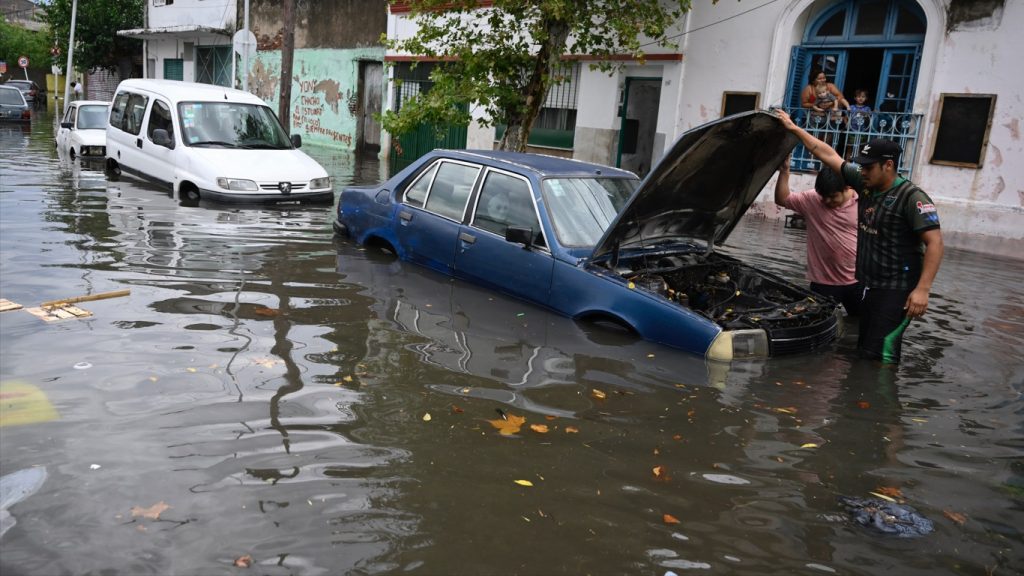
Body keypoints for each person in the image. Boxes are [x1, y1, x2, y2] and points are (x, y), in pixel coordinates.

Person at [775, 109, 944, 364]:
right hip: (870, 285)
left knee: (881, 355)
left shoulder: (912, 198)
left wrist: (922, 290)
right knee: (864, 349)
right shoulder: (866, 185)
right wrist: (794, 128)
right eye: (861, 166)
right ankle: (860, 400)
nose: (861, 171)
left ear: (888, 165)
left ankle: (881, 401)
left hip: (897, 289)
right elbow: (827, 153)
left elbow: (935, 243)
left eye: (868, 167)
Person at [775, 159, 860, 316]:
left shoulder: (863, 203)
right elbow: (782, 199)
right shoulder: (812, 199)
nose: (827, 201)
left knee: (861, 322)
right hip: (823, 282)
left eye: (832, 196)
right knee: (817, 320)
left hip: (857, 281)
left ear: (848, 187)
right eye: (823, 196)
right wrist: (784, 171)